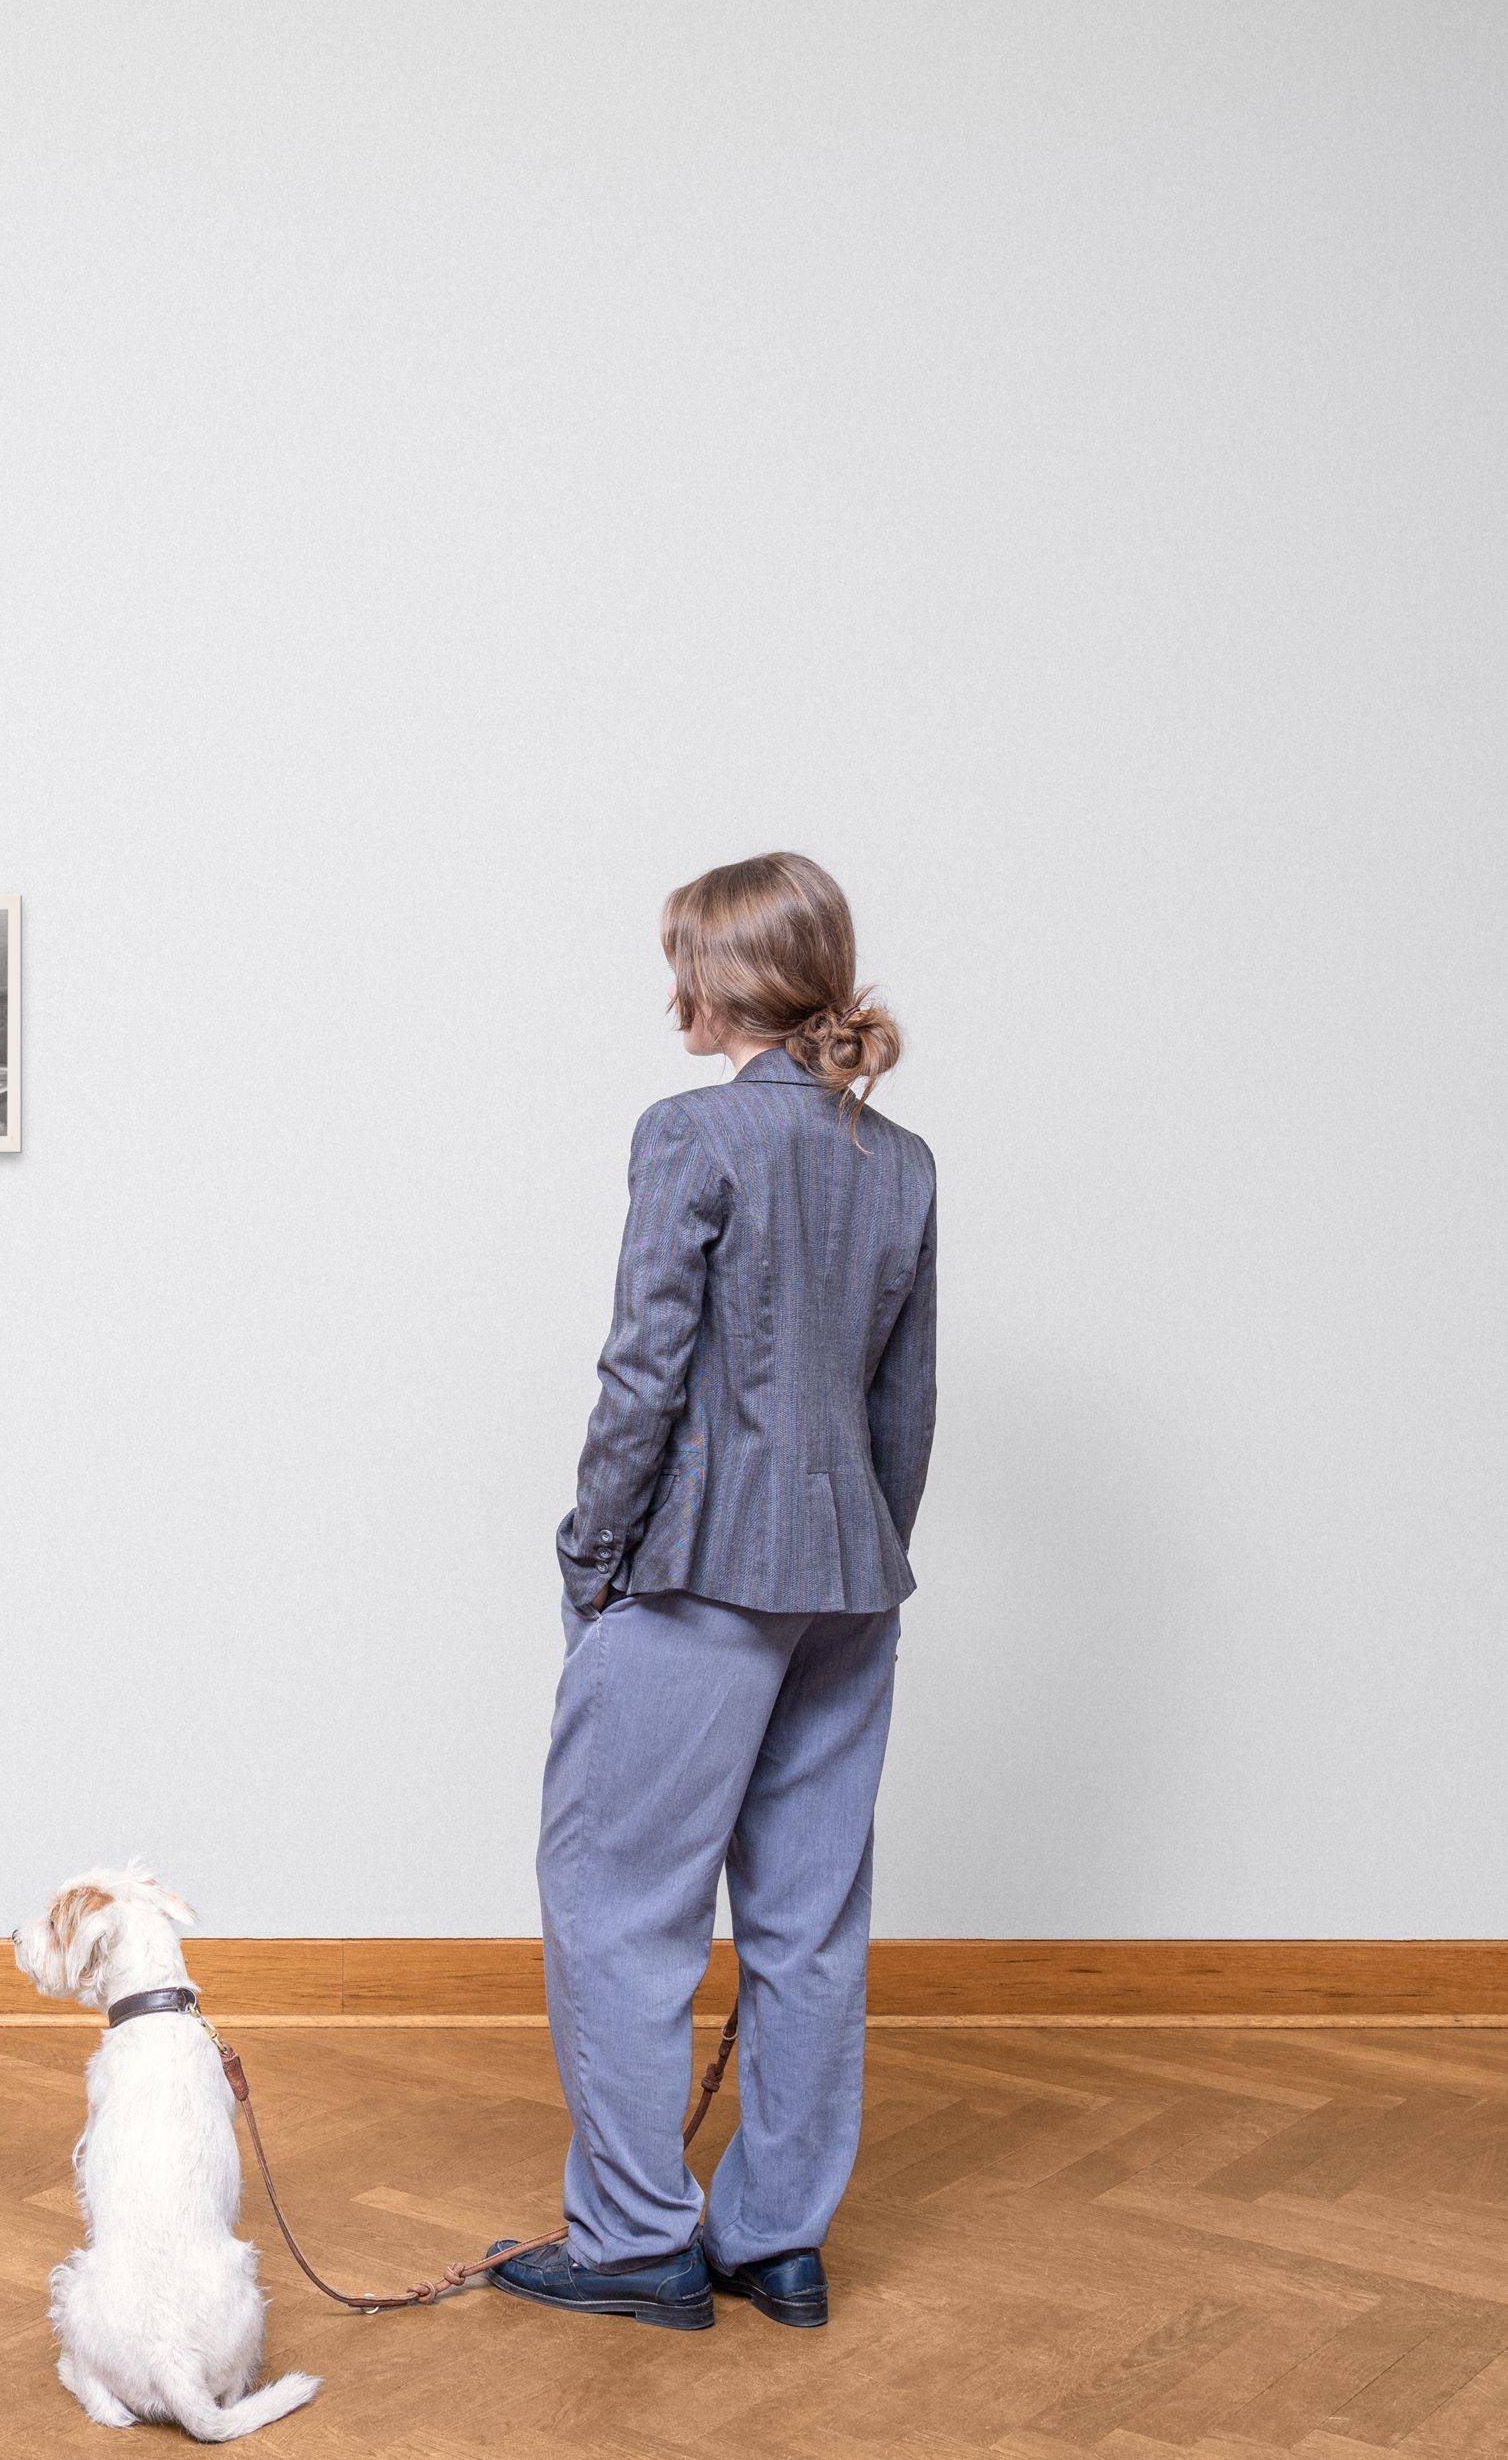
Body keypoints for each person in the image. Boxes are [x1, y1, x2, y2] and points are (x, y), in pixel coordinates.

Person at [490, 851, 937, 2334]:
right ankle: (776, 2241)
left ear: (724, 976)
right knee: (808, 1921)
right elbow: (903, 1407)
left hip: (697, 1572)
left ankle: (631, 2238)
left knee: (618, 1906)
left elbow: (643, 1370)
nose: (667, 984)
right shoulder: (905, 1160)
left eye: (679, 955)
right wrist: (861, 1553)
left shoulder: (691, 1133)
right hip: (849, 1580)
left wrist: (591, 1554)